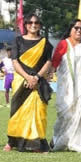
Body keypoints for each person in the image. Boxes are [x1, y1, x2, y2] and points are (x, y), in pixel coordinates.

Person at [5, 15, 53, 152]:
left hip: (38, 82)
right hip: (21, 80)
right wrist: (27, 77)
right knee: (18, 111)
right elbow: (15, 61)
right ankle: (12, 141)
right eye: (30, 22)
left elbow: (48, 62)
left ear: (40, 25)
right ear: (25, 25)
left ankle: (37, 144)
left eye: (36, 22)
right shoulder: (18, 41)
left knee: (38, 112)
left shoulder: (45, 43)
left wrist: (36, 77)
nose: (33, 25)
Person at [51, 20, 81, 153]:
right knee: (65, 115)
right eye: (76, 28)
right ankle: (57, 139)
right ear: (70, 29)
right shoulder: (63, 44)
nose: (79, 30)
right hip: (66, 88)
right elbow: (53, 65)